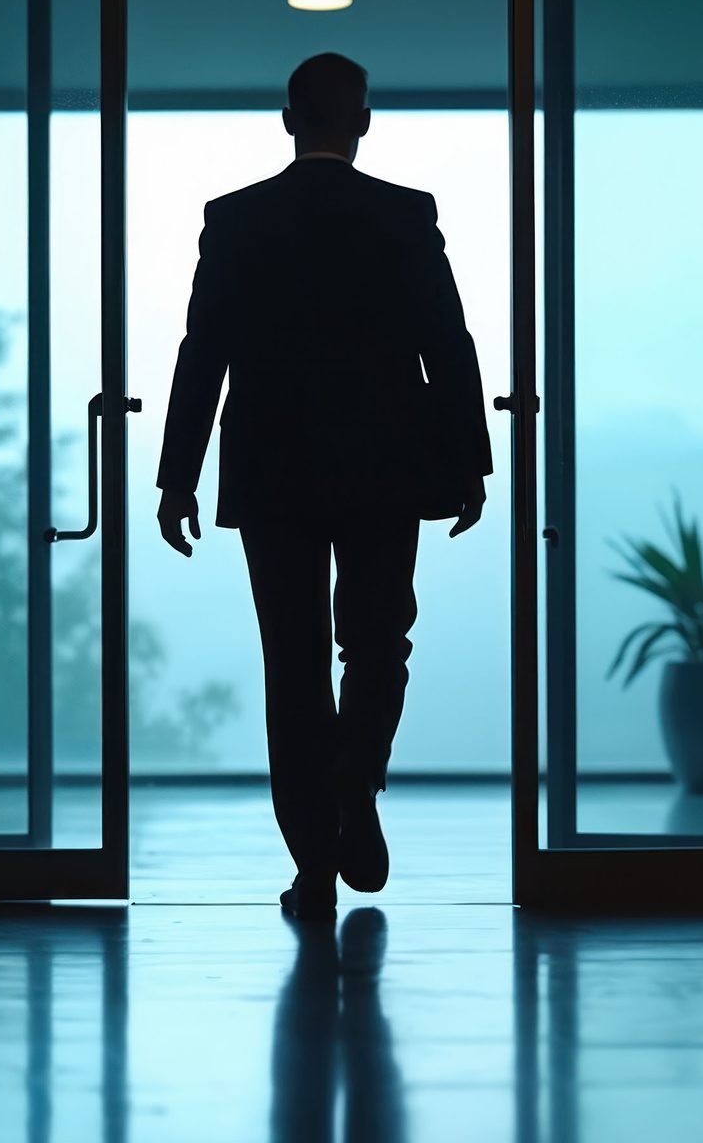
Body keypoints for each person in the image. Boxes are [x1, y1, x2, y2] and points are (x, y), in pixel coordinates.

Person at [155, 52, 492, 921]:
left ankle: (312, 861)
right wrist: (470, 463)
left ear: (287, 119)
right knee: (377, 642)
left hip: (271, 471)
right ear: (365, 122)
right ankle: (355, 784)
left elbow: (204, 354)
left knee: (293, 663)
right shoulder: (404, 215)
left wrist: (176, 477)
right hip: (384, 465)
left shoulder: (234, 220)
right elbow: (447, 343)